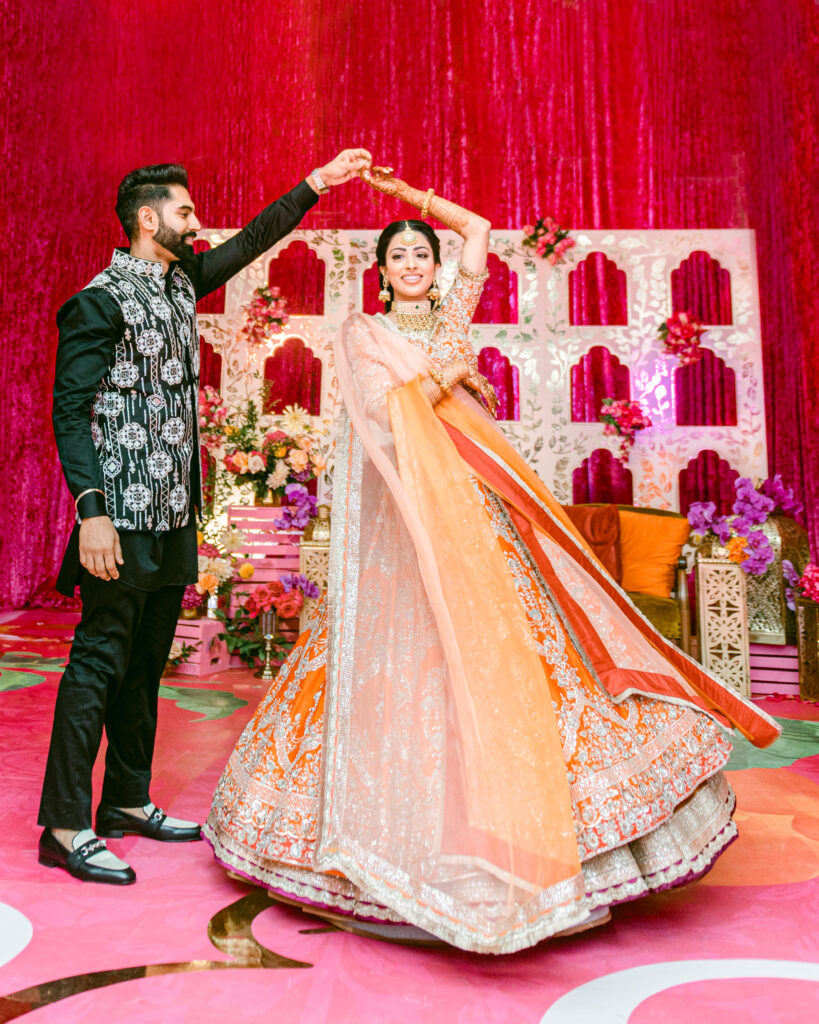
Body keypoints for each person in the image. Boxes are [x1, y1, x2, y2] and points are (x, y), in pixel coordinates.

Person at [203, 168, 780, 953]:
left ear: (432, 269)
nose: (410, 262)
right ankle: (377, 843)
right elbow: (381, 415)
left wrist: (402, 195)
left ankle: (550, 836)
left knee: (519, 646)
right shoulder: (366, 334)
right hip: (404, 521)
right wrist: (441, 374)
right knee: (402, 658)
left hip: (476, 502)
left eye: (419, 254)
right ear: (380, 273)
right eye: (398, 255)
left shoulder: (449, 308)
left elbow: (475, 232)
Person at [38, 149, 373, 885]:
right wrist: (90, 512)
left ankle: (125, 800)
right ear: (149, 219)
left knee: (145, 665)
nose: (197, 225)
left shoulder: (182, 282)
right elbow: (69, 411)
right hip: (118, 516)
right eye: (185, 212)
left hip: (171, 515)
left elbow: (252, 240)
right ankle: (65, 825)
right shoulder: (99, 300)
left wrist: (316, 183)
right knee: (97, 663)